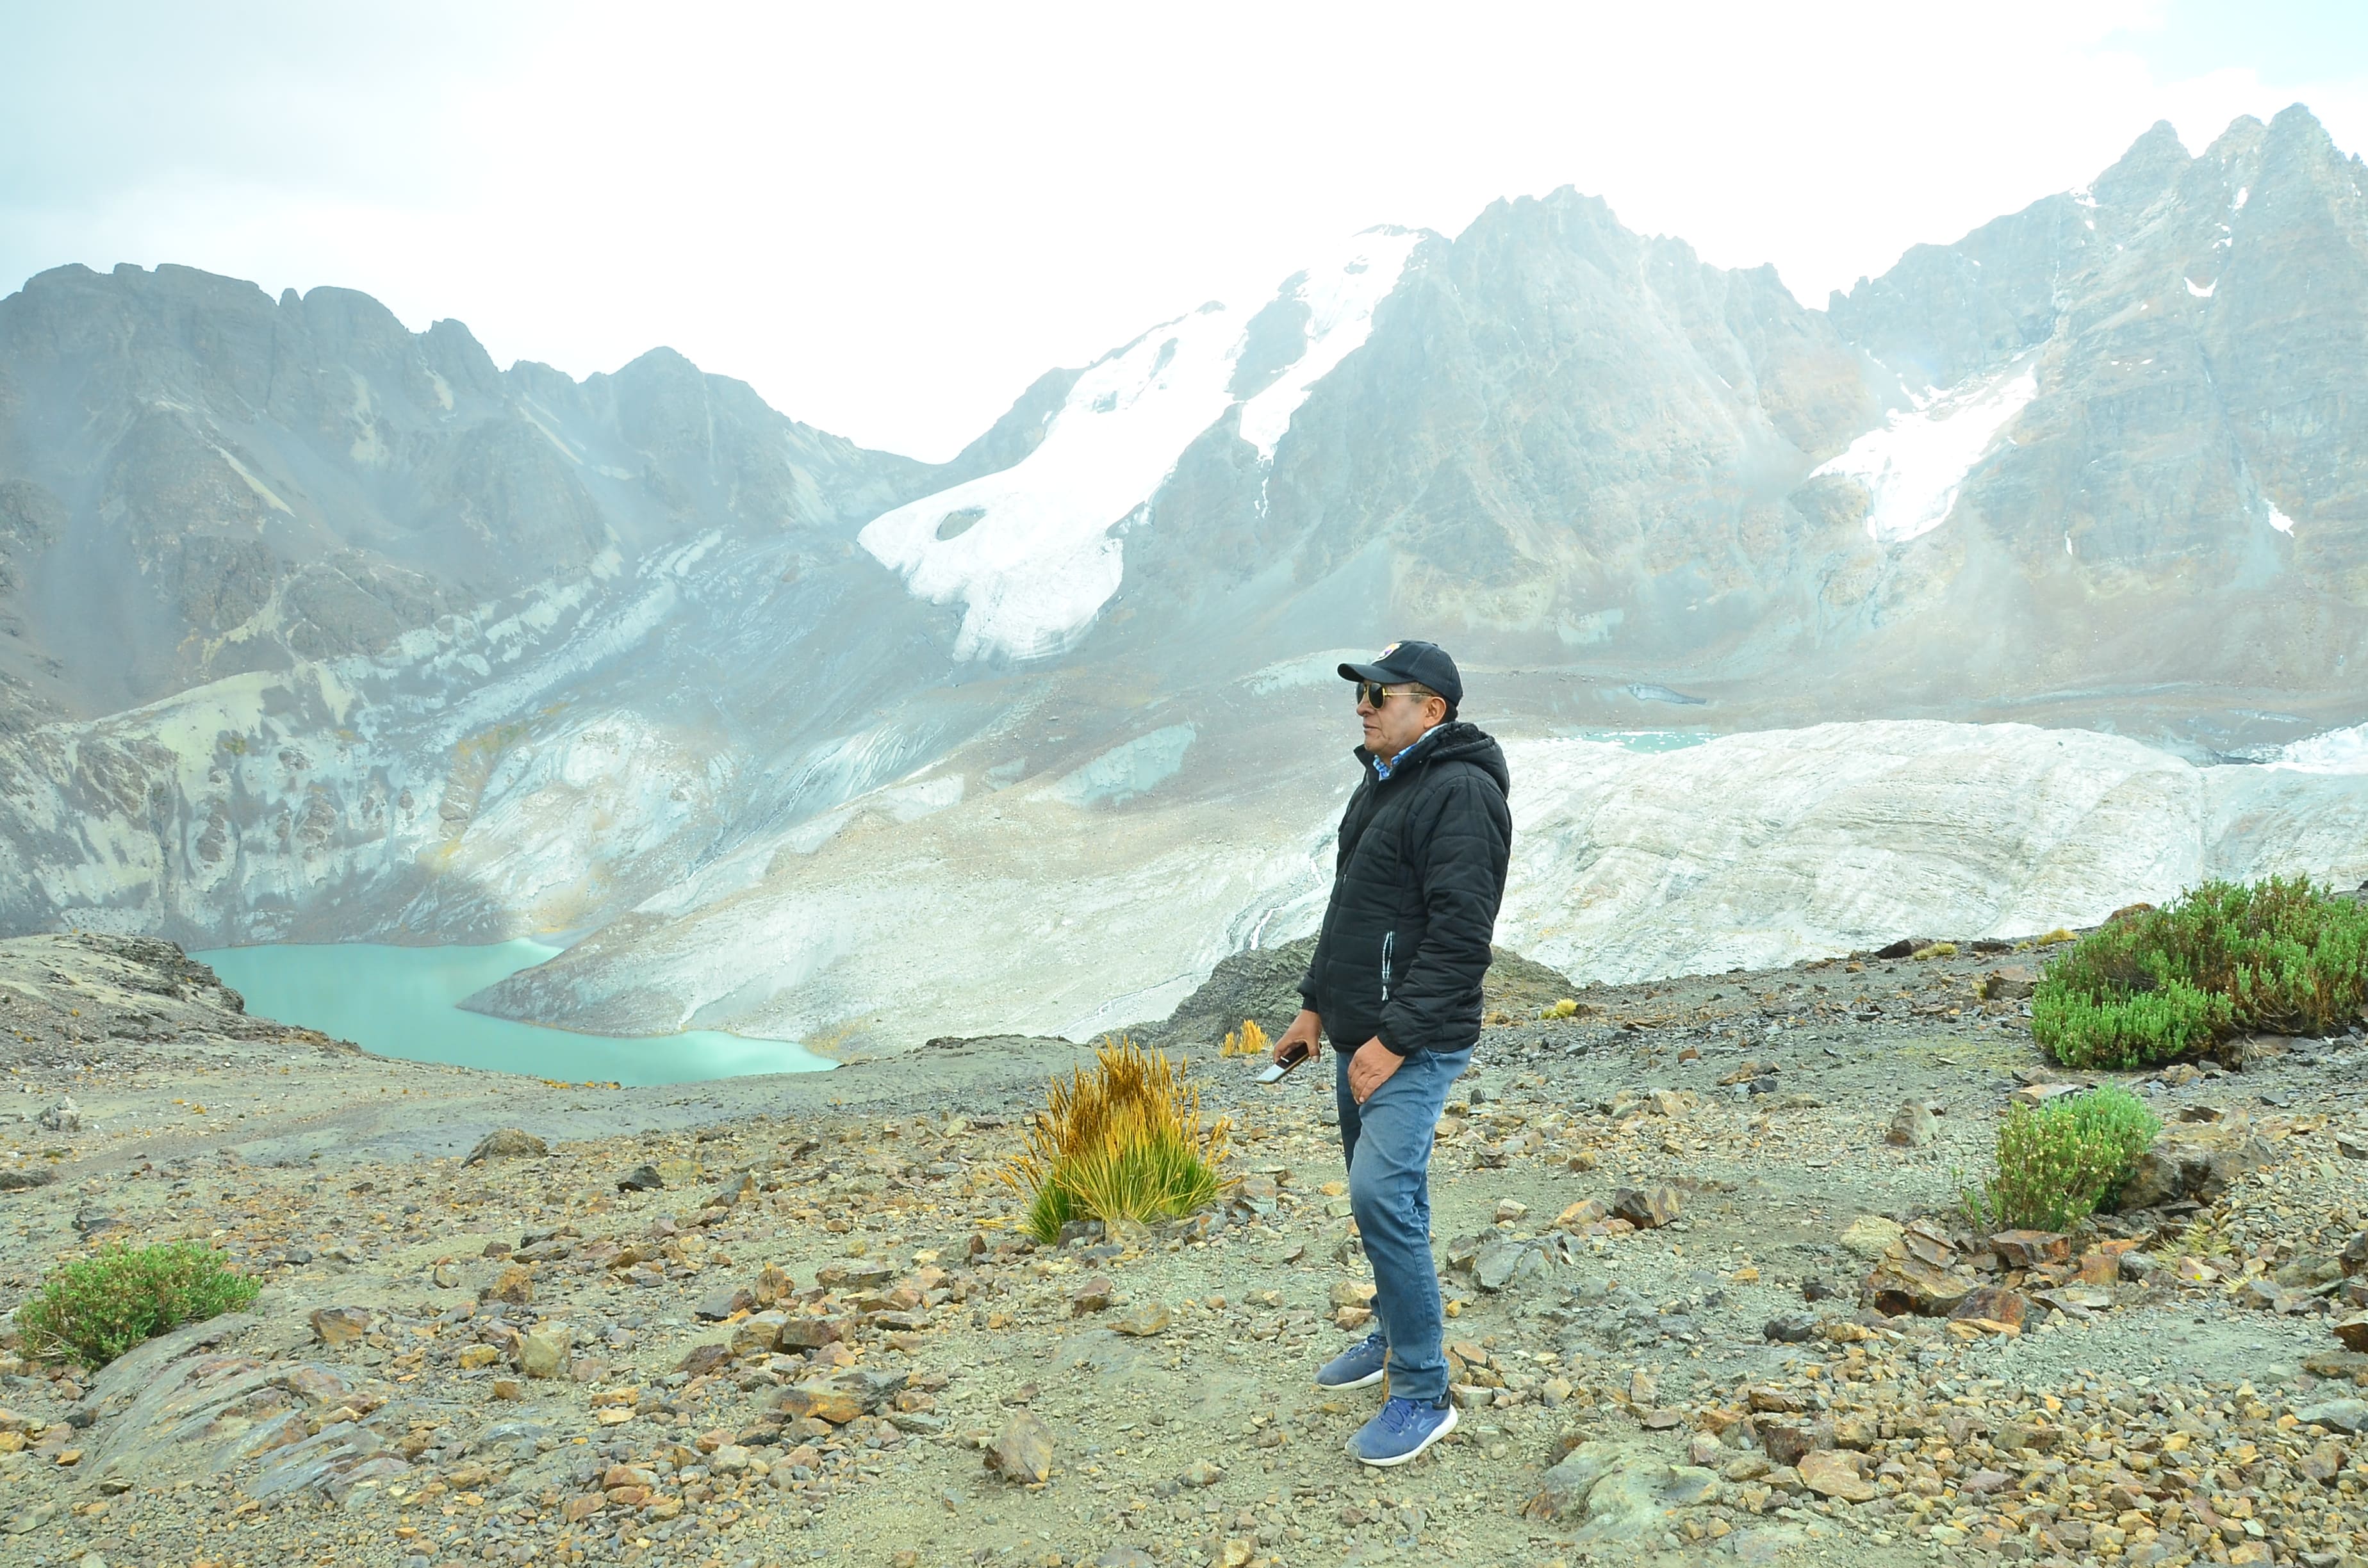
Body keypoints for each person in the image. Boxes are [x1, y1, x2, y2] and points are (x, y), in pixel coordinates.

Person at [1271, 639, 1511, 1467]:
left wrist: (1392, 1042)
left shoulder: (1462, 794)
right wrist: (1313, 1007)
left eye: (1381, 693)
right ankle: (1389, 1331)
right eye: (1361, 694)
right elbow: (1349, 912)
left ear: (1432, 710)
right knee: (1378, 1196)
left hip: (1411, 1043)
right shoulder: (1380, 784)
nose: (1364, 705)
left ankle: (1422, 1390)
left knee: (1382, 1194)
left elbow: (1460, 940)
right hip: (1356, 1034)